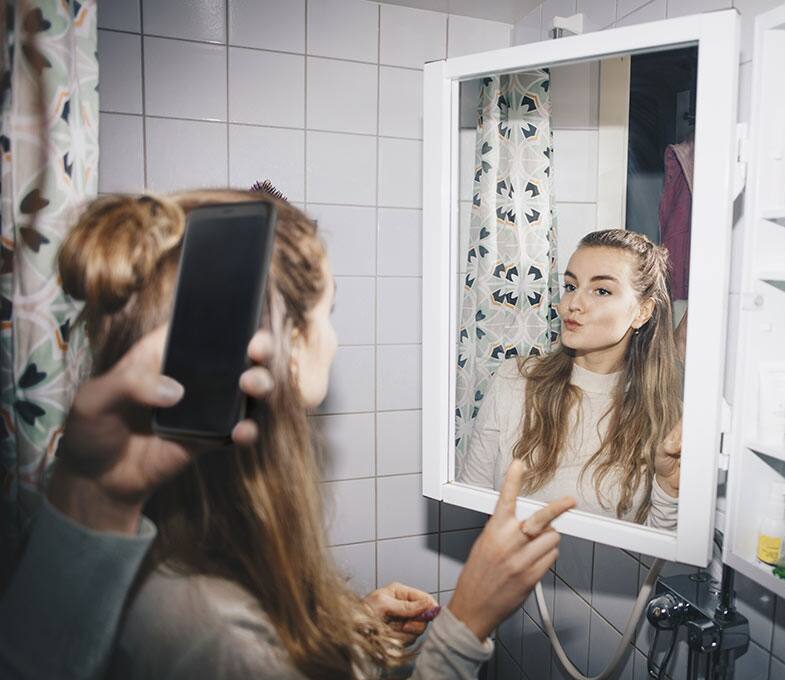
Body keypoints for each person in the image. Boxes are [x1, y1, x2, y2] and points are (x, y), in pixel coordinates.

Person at [0, 190, 575, 680]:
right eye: (330, 311)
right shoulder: (217, 630)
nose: (335, 339)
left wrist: (338, 631)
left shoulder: (171, 552)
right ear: (290, 346)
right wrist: (467, 621)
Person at [459, 229, 684, 529]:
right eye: (570, 286)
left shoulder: (668, 419)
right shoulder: (515, 381)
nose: (572, 304)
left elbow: (654, 553)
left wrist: (669, 492)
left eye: (601, 291)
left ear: (642, 312)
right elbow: (471, 501)